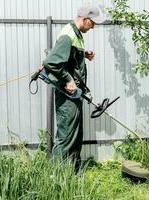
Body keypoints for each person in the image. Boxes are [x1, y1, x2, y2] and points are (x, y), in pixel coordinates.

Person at [42, 4, 105, 171]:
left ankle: (74, 173)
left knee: (76, 136)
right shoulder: (68, 35)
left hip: (75, 95)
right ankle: (56, 179)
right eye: (93, 23)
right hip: (67, 95)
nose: (93, 27)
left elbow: (68, 55)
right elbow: (51, 62)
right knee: (66, 136)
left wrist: (83, 54)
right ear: (85, 19)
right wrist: (68, 79)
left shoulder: (76, 34)